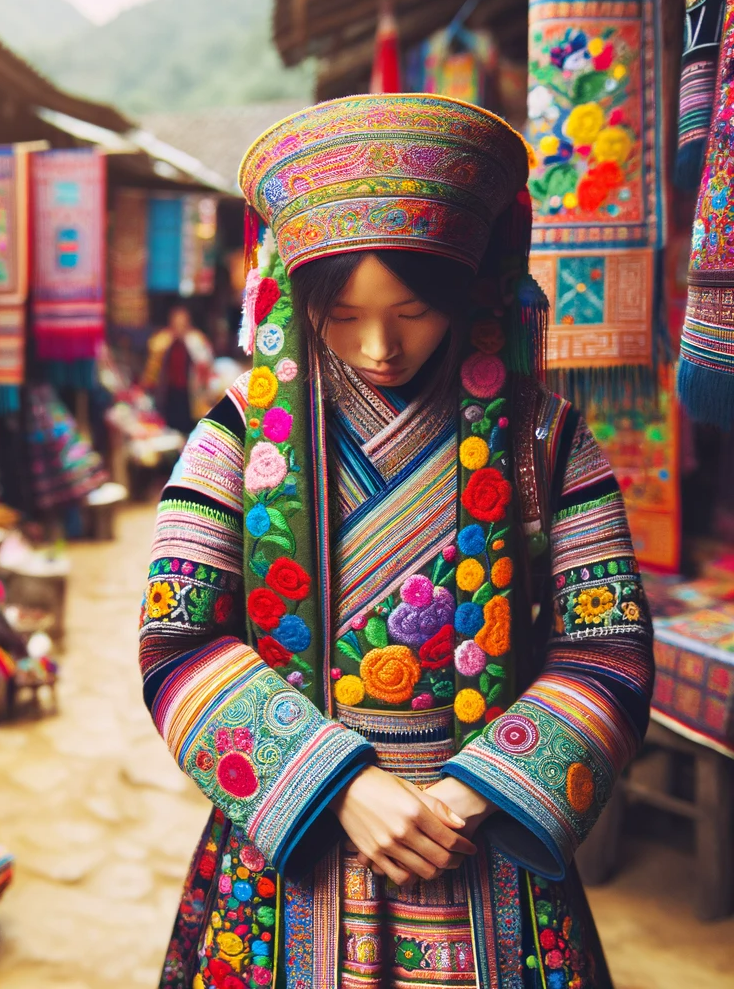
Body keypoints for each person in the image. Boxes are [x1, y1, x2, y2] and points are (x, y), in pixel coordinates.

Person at [139, 96, 653, 989]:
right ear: (300, 303)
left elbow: (607, 642)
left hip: (479, 829)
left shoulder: (544, 440)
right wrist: (339, 785)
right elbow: (176, 639)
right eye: (342, 318)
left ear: (470, 289)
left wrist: (477, 790)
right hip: (299, 827)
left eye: (414, 310)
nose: (381, 347)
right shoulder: (233, 440)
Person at [143, 304, 215, 433]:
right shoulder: (162, 341)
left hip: (190, 395)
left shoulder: (196, 341)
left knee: (189, 427)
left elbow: (206, 366)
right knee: (169, 428)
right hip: (169, 394)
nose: (179, 327)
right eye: (176, 323)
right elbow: (153, 369)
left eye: (182, 323)